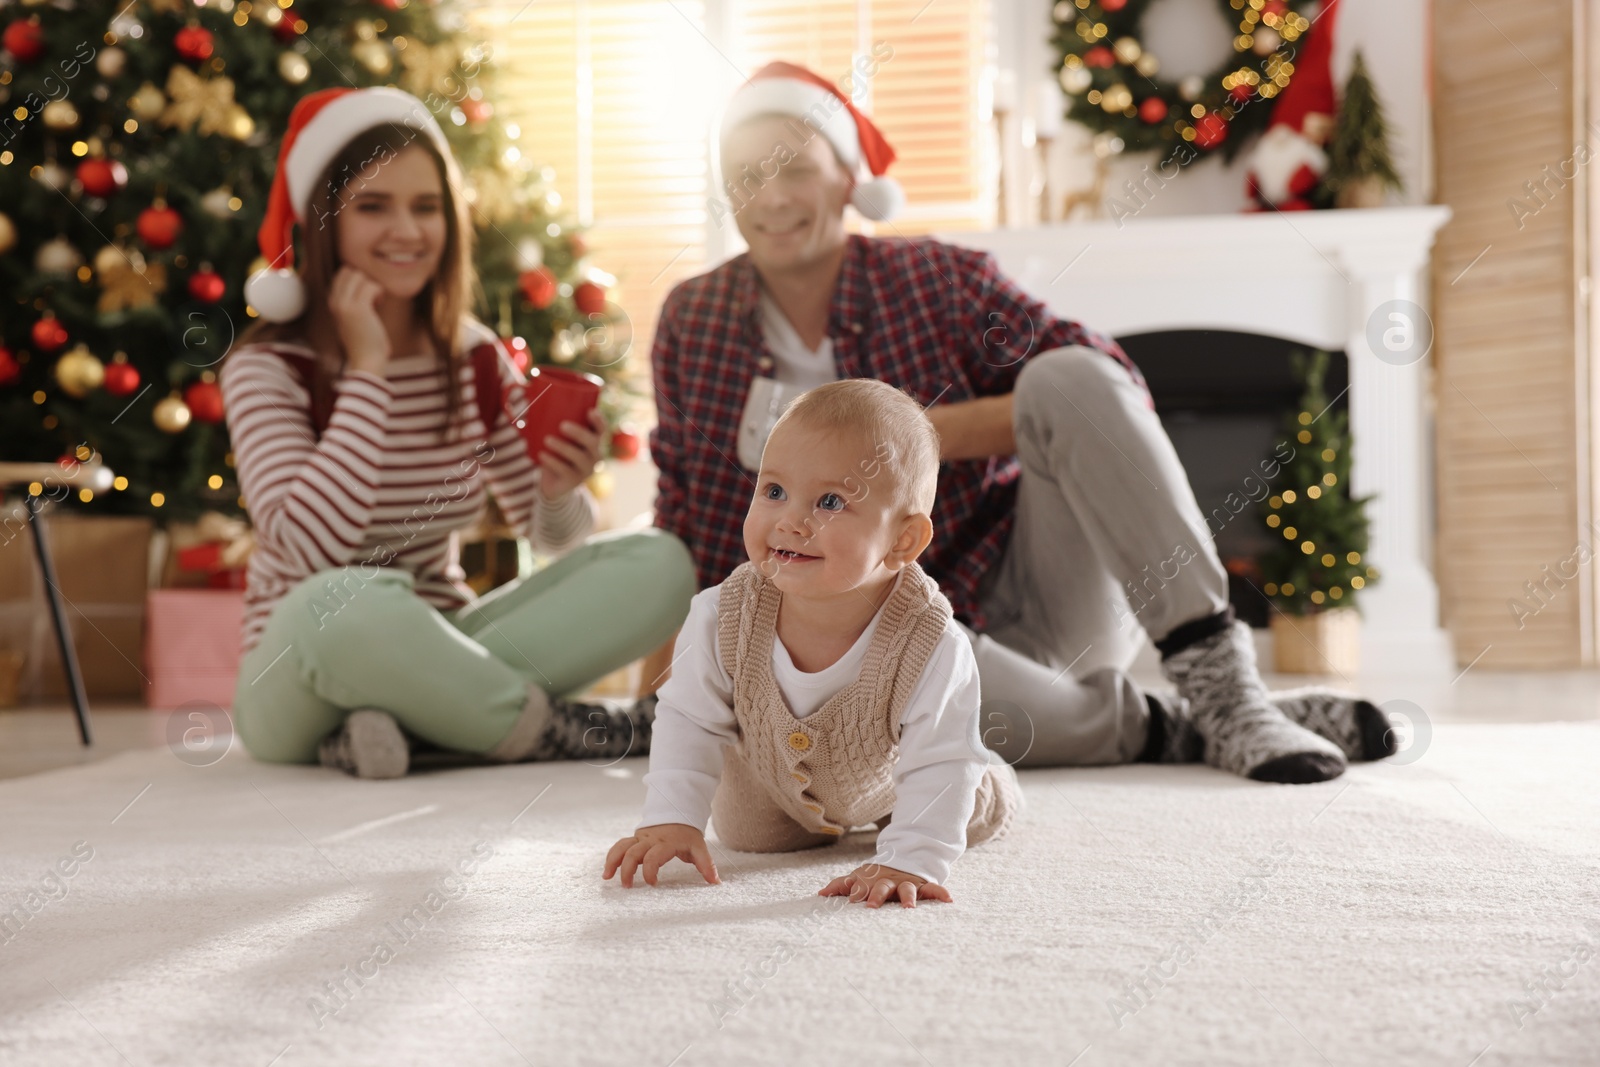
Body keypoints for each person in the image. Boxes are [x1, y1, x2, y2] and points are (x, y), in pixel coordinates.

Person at [646, 62, 1397, 786]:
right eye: (746, 174)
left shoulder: (940, 279)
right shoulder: (693, 320)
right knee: (897, 722)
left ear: (849, 178)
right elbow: (684, 514)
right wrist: (665, 687)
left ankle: (1225, 687)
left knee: (1066, 374)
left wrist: (906, 443)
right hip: (876, 645)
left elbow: (1110, 381)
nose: (769, 195)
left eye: (795, 168)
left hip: (1039, 596)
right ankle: (1194, 723)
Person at [222, 87, 694, 778]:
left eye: (426, 206)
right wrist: (370, 372)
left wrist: (558, 492)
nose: (407, 231)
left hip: (443, 642)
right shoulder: (268, 366)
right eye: (373, 206)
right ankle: (552, 730)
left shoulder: (471, 357)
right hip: (301, 665)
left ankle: (418, 729)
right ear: (323, 223)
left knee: (661, 564)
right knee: (344, 599)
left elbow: (553, 540)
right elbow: (312, 546)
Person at [604, 380, 1020, 907]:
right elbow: (689, 718)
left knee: (969, 808)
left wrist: (910, 858)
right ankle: (806, 820)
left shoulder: (930, 642)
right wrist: (670, 817)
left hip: (894, 775)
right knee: (749, 836)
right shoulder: (721, 615)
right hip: (774, 779)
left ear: (903, 541)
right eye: (773, 491)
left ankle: (986, 781)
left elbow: (939, 762)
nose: (791, 521)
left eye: (830, 502)